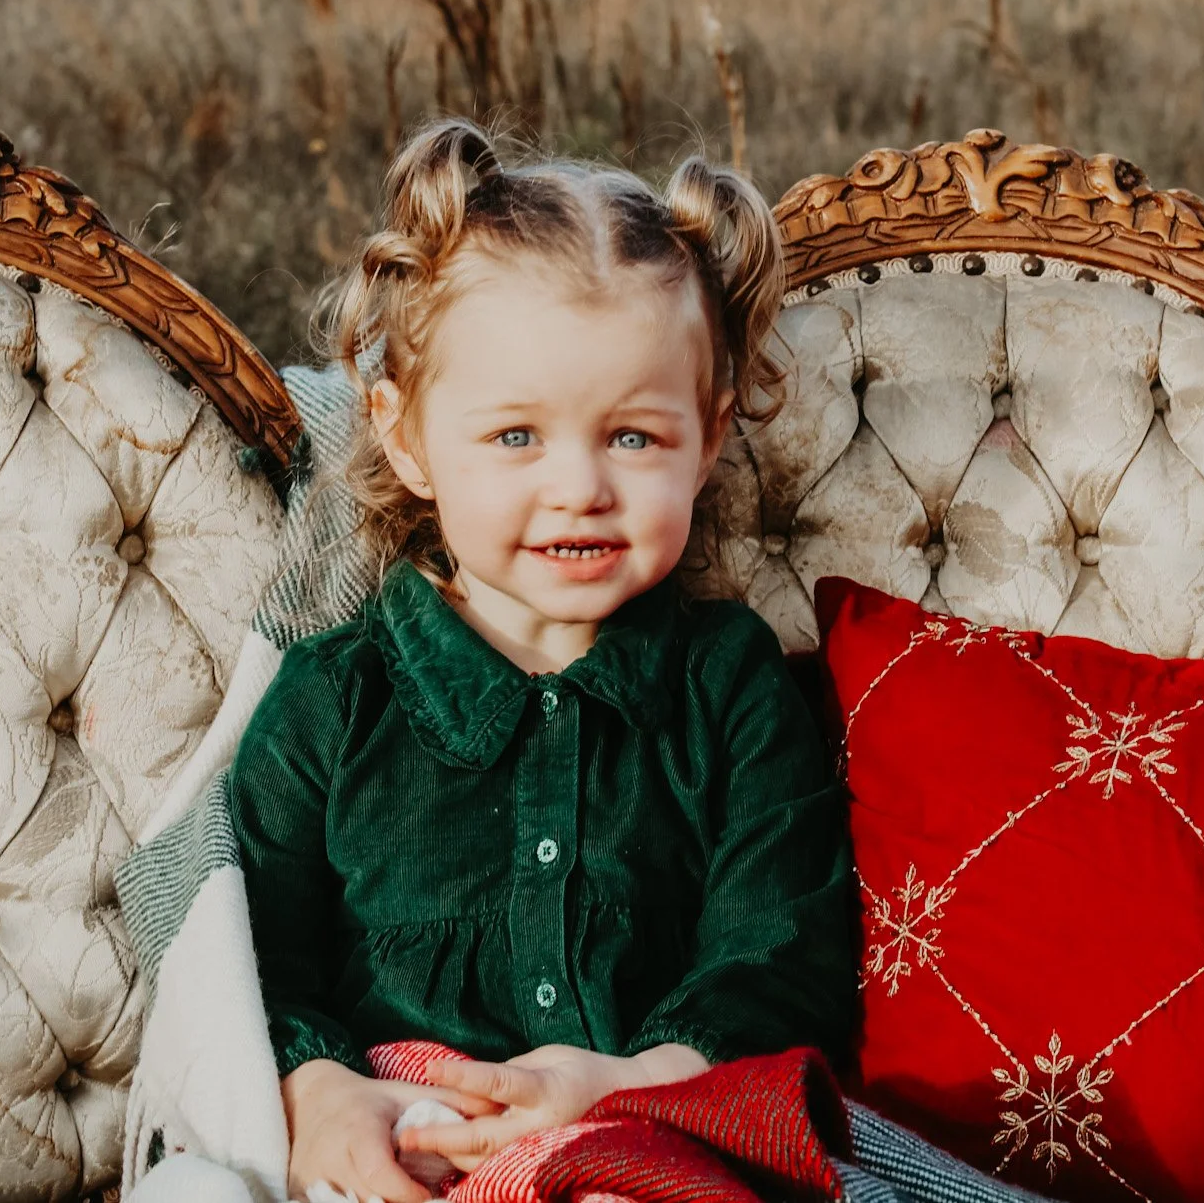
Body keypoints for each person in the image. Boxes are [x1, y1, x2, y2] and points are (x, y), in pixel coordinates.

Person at [226, 116, 854, 1203]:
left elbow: (782, 952)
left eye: (633, 437)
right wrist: (316, 1094)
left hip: (639, 1137)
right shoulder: (332, 700)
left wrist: (623, 1082)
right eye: (516, 436)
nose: (579, 489)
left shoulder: (727, 685)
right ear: (406, 436)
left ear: (708, 437)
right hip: (385, 1144)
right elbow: (250, 957)